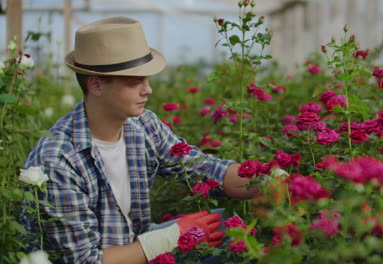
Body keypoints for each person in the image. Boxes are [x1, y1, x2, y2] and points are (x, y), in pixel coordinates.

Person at [21, 16, 258, 264]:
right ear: (96, 85)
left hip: (134, 242)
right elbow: (83, 260)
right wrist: (173, 237)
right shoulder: (59, 159)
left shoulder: (142, 125)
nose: (148, 90)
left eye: (146, 80)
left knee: (232, 228)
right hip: (103, 258)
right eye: (135, 82)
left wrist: (266, 182)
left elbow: (204, 169)